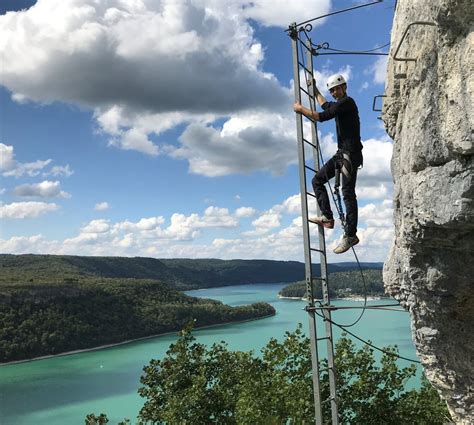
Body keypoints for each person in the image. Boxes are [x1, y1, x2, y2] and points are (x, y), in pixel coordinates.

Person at [293, 74, 363, 254]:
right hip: (342, 154)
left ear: (344, 87)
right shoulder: (340, 105)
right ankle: (327, 217)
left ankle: (350, 235)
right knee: (317, 180)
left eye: (336, 88)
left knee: (348, 193)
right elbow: (324, 105)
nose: (333, 92)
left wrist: (301, 109)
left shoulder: (348, 102)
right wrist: (315, 89)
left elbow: (321, 116)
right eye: (331, 90)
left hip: (350, 154)